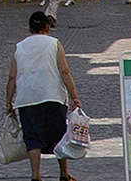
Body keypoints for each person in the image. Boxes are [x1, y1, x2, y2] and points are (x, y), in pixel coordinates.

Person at [7, 12, 81, 181]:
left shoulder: (20, 46)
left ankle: (36, 175)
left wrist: (8, 102)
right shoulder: (54, 44)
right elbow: (64, 71)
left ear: (29, 28)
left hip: (27, 98)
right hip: (52, 95)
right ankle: (63, 174)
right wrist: (74, 96)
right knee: (58, 136)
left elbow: (12, 77)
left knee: (32, 138)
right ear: (47, 27)